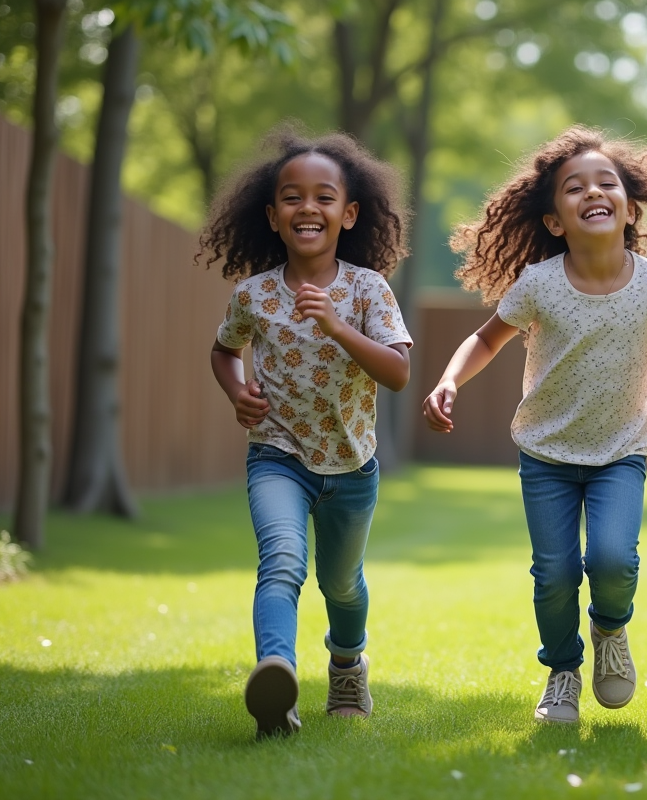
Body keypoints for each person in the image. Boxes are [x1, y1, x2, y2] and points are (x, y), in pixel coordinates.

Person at [423, 126, 647, 724]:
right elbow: (485, 340)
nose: (593, 192)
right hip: (547, 454)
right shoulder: (539, 285)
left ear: (629, 207)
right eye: (574, 188)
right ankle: (562, 671)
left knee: (612, 560)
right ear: (555, 221)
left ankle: (610, 629)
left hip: (621, 452)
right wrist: (450, 379)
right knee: (554, 575)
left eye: (607, 183)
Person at [201, 126, 412, 738]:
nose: (307, 208)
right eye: (292, 197)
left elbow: (398, 373)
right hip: (278, 457)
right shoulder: (255, 294)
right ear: (272, 215)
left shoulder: (368, 289)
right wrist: (237, 391)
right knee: (282, 562)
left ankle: (347, 666)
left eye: (324, 197)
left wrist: (338, 326)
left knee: (341, 584)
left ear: (348, 214)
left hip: (351, 467)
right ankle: (278, 679)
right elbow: (222, 350)